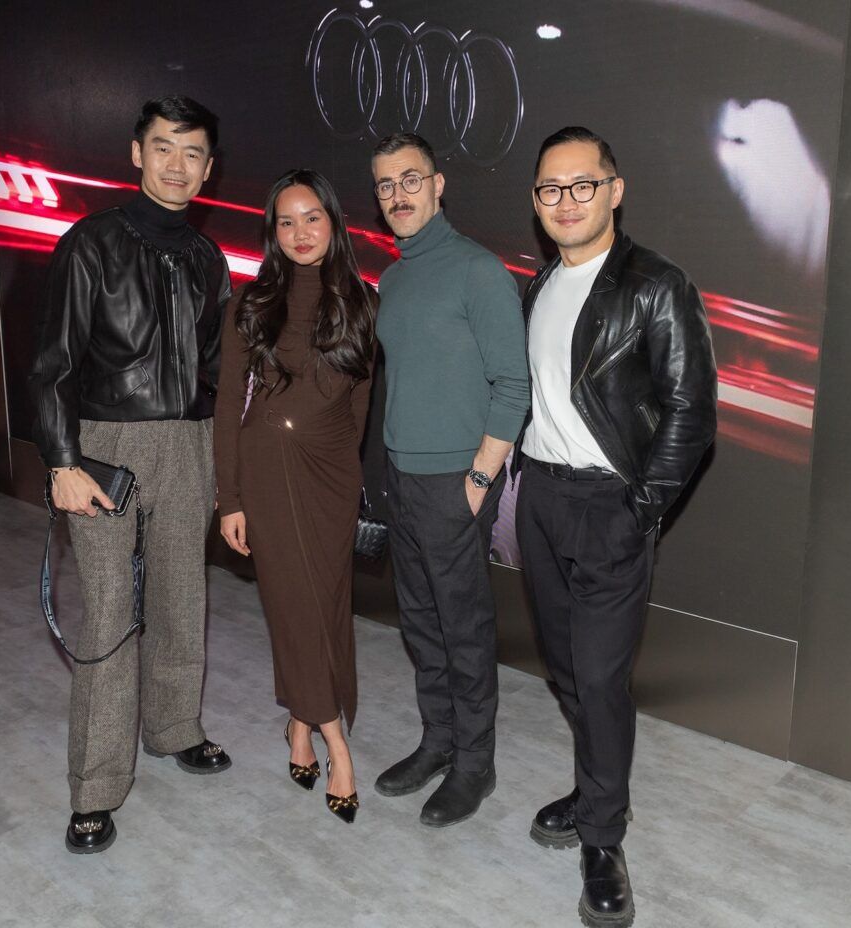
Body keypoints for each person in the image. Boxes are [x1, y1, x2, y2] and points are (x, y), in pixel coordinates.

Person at [515, 126, 717, 927]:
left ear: (614, 189)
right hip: (540, 503)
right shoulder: (537, 287)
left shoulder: (656, 285)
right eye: (550, 190)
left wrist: (640, 511)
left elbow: (692, 414)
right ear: (537, 202)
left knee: (599, 678)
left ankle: (604, 836)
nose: (566, 202)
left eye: (582, 185)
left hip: (610, 507)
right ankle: (594, 784)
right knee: (567, 669)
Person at [30, 95, 233, 854]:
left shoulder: (209, 261)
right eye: (164, 148)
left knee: (184, 598)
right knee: (111, 616)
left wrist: (225, 459)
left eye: (193, 154)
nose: (178, 166)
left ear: (209, 168)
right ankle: (95, 788)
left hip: (190, 444)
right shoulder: (91, 243)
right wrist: (61, 461)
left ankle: (176, 727)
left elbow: (215, 370)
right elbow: (51, 364)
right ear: (136, 154)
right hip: (104, 447)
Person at [369, 133, 530, 826]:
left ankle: (475, 765)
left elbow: (513, 386)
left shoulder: (477, 271)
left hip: (453, 484)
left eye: (411, 180)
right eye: (385, 185)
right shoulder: (397, 276)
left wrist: (478, 479)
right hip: (404, 481)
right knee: (422, 625)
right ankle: (438, 742)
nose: (398, 195)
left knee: (462, 630)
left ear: (439, 186)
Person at [214, 169, 376, 824]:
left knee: (324, 606)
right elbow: (228, 407)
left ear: (333, 224)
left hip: (332, 480)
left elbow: (359, 412)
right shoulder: (250, 306)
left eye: (312, 217)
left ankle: (299, 724)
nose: (300, 232)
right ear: (272, 235)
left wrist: (343, 473)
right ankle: (332, 736)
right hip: (266, 476)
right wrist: (230, 497)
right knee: (292, 606)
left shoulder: (363, 305)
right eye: (286, 222)